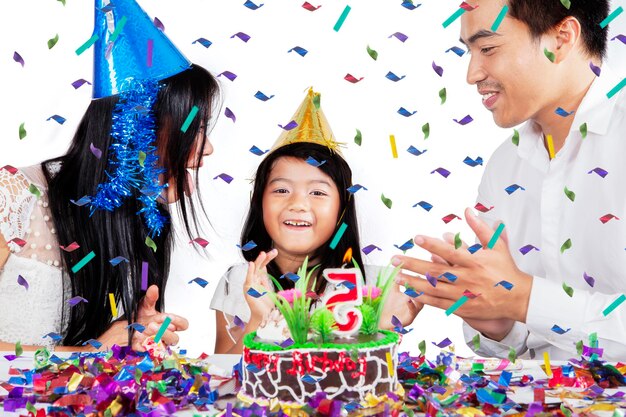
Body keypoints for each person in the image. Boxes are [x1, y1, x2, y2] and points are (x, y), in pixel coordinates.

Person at [394, 0, 626, 360]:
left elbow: (527, 300)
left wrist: (524, 298)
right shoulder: (506, 164)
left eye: (488, 48)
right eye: (469, 51)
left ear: (561, 39)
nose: (472, 74)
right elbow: (513, 347)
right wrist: (494, 317)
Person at [0, 0, 221, 352]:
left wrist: (131, 339)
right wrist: (86, 356)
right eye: (192, 129)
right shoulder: (14, 196)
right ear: (137, 132)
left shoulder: (139, 225)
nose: (206, 148)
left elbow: (100, 358)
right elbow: (89, 353)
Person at [211, 89, 421, 354]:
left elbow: (374, 375)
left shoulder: (374, 286)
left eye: (318, 193)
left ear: (342, 209)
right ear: (259, 203)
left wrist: (381, 329)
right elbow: (221, 376)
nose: (298, 204)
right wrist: (257, 319)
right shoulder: (239, 280)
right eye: (281, 190)